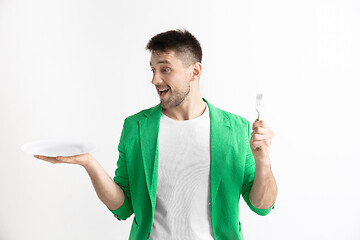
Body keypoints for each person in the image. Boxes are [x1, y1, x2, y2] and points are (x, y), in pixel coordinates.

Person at [34, 29, 277, 240]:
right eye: (152, 69)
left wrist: (263, 160)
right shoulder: (136, 127)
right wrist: (89, 163)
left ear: (195, 71)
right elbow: (123, 207)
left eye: (165, 69)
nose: (154, 79)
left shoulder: (236, 129)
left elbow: (262, 206)